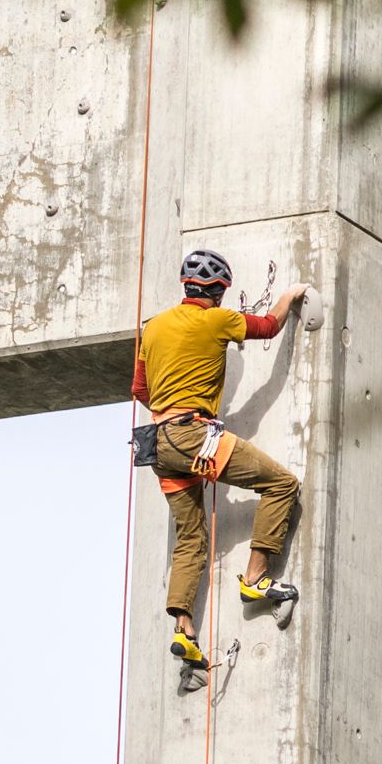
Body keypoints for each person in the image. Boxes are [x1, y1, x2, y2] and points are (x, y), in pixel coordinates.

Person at [136, 247, 312, 669]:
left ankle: (185, 631)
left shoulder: (153, 328)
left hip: (157, 444)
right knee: (282, 483)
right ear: (218, 291)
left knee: (191, 537)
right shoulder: (217, 319)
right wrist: (293, 292)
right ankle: (255, 579)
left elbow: (140, 390)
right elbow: (269, 326)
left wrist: (173, 405)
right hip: (193, 436)